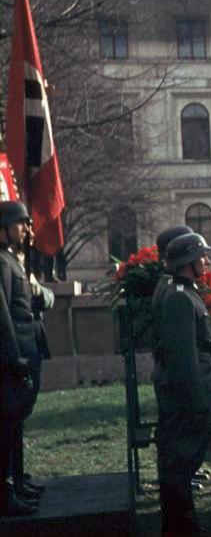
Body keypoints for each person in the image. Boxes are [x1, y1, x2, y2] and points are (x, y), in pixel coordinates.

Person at [154, 232, 211, 535]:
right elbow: (184, 358)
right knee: (179, 466)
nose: (206, 261)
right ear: (189, 261)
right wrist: (197, 401)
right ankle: (182, 528)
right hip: (189, 393)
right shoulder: (180, 296)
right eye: (201, 256)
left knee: (182, 466)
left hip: (194, 388)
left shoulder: (184, 291)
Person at [0, 202, 43, 517]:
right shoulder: (1, 262)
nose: (27, 230)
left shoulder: (11, 259)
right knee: (5, 425)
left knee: (15, 423)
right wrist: (13, 357)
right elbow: (2, 316)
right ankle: (5, 492)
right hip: (10, 357)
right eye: (21, 224)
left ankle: (16, 481)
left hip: (22, 351)